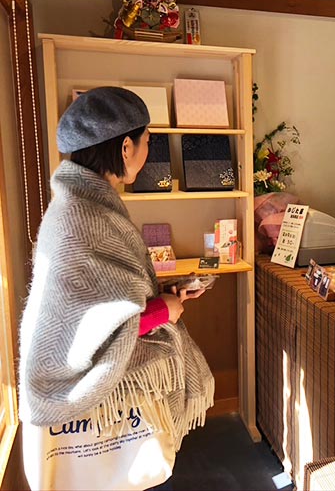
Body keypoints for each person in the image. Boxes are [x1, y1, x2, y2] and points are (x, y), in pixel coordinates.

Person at [18, 87, 214, 490]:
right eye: (147, 142)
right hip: (99, 408)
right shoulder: (86, 216)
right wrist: (163, 312)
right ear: (126, 147)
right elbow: (94, 330)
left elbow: (103, 302)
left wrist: (165, 296)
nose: (147, 153)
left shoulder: (80, 205)